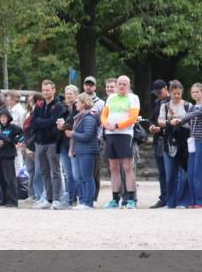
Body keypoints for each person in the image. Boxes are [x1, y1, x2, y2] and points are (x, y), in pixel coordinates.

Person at [101, 75, 140, 208]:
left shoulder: (133, 98)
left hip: (125, 134)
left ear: (129, 86)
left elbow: (133, 118)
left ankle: (130, 199)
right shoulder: (111, 97)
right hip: (110, 134)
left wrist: (117, 126)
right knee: (113, 168)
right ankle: (115, 199)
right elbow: (104, 114)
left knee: (128, 167)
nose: (122, 86)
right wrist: (106, 124)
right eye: (120, 84)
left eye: (124, 84)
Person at [172, 83, 202, 208]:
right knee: (191, 172)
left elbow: (190, 116)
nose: (195, 94)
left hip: (201, 141)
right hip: (193, 142)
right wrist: (174, 118)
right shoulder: (193, 107)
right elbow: (187, 119)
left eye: (197, 92)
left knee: (200, 172)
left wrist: (179, 120)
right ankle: (193, 200)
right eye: (193, 92)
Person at [30, 80, 68, 209]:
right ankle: (49, 198)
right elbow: (33, 123)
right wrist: (45, 123)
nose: (45, 92)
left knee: (55, 172)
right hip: (40, 143)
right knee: (44, 172)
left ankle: (57, 199)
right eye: (43, 90)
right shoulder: (39, 105)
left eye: (47, 90)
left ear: (53, 90)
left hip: (52, 143)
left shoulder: (59, 106)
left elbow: (54, 123)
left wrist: (43, 123)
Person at [158, 81, 192, 209]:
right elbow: (160, 121)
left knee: (184, 173)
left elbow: (192, 121)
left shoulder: (188, 105)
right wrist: (169, 121)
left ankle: (183, 201)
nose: (176, 96)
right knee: (170, 173)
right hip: (170, 140)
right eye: (174, 93)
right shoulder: (165, 106)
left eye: (178, 93)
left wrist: (180, 121)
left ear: (182, 92)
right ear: (170, 93)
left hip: (184, 141)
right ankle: (171, 201)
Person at [67, 93, 101, 209]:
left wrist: (73, 134)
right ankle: (85, 201)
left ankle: (88, 202)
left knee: (87, 176)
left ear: (83, 103)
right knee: (82, 177)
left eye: (78, 101)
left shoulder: (89, 116)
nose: (75, 103)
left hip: (88, 150)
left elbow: (87, 135)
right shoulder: (82, 116)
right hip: (81, 150)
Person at [147, 80, 171, 208]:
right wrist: (151, 126)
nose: (158, 95)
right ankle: (164, 197)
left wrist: (160, 128)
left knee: (171, 170)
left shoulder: (173, 102)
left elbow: (173, 120)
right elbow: (152, 118)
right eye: (156, 93)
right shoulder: (157, 102)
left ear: (166, 88)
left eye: (159, 92)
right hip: (158, 140)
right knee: (162, 170)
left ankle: (172, 196)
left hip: (169, 139)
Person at [0, 109, 23, 208]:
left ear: (8, 118)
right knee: (2, 179)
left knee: (9, 178)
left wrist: (15, 141)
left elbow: (22, 134)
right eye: (1, 117)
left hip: (8, 156)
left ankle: (13, 201)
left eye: (5, 117)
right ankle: (4, 199)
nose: (3, 119)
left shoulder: (13, 128)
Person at [57, 84, 79, 207]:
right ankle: (70, 198)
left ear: (76, 95)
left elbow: (75, 125)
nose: (68, 95)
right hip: (64, 144)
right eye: (67, 93)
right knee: (68, 173)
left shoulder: (78, 108)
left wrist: (63, 125)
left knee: (74, 174)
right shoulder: (64, 109)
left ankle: (73, 198)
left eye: (71, 93)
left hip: (74, 143)